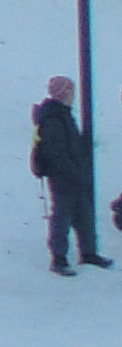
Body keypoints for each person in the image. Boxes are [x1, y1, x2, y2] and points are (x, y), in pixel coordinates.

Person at [33, 78, 111, 273]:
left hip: (73, 175)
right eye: (70, 91)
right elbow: (55, 152)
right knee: (62, 216)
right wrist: (73, 171)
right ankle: (59, 259)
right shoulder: (53, 118)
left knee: (83, 214)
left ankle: (88, 252)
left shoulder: (62, 115)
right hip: (63, 177)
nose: (73, 95)